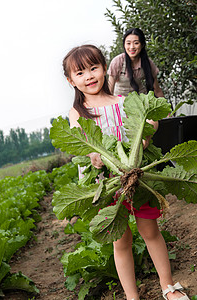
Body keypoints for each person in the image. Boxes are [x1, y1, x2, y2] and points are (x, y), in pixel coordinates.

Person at [63, 44, 189, 300]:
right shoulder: (77, 112)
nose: (88, 76)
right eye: (80, 73)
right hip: (105, 182)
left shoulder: (123, 102)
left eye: (93, 68)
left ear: (104, 68)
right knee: (120, 241)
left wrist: (147, 132)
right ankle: (132, 297)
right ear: (70, 81)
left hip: (137, 177)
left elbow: (149, 120)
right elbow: (80, 137)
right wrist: (93, 154)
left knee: (150, 230)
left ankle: (168, 286)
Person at [108, 28, 164, 98]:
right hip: (120, 102)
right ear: (124, 45)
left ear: (142, 45)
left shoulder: (147, 62)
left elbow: (157, 90)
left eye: (136, 43)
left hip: (140, 103)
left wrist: (166, 107)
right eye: (128, 43)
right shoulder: (117, 61)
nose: (132, 47)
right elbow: (109, 90)